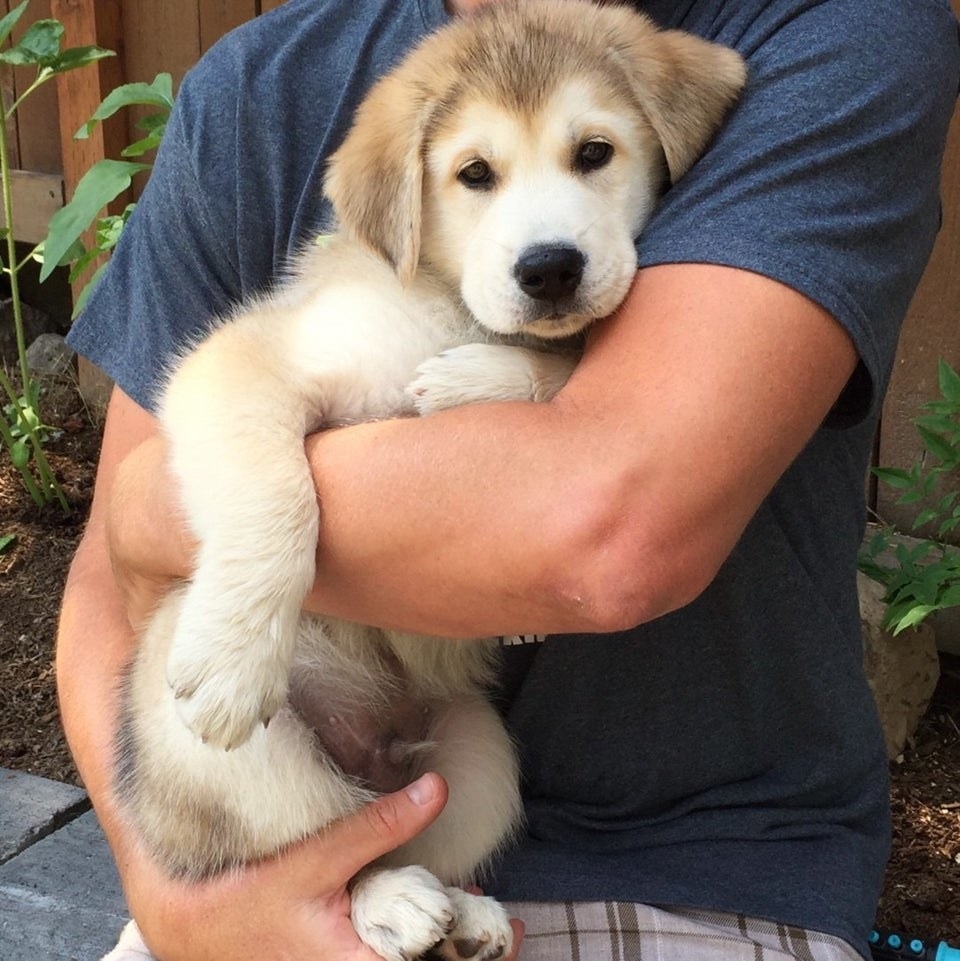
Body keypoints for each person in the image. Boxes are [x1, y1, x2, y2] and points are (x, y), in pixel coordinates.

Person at [56, 0, 959, 958]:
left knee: (477, 764)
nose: (548, 236)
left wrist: (161, 514)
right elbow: (131, 554)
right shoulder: (269, 93)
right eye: (478, 176)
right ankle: (372, 884)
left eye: (593, 155)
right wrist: (179, 903)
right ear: (406, 204)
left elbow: (606, 529)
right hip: (253, 841)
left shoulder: (823, 34)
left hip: (696, 872)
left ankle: (390, 881)